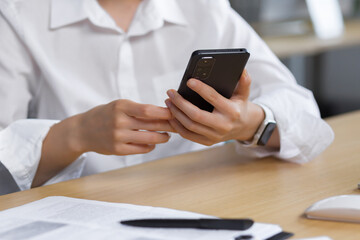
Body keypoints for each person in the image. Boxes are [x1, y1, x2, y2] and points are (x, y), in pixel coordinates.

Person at [0, 0, 334, 192]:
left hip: (200, 205)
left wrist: (250, 124)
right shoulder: (17, 13)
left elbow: (306, 120)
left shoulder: (203, 7)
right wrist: (77, 134)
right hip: (77, 216)